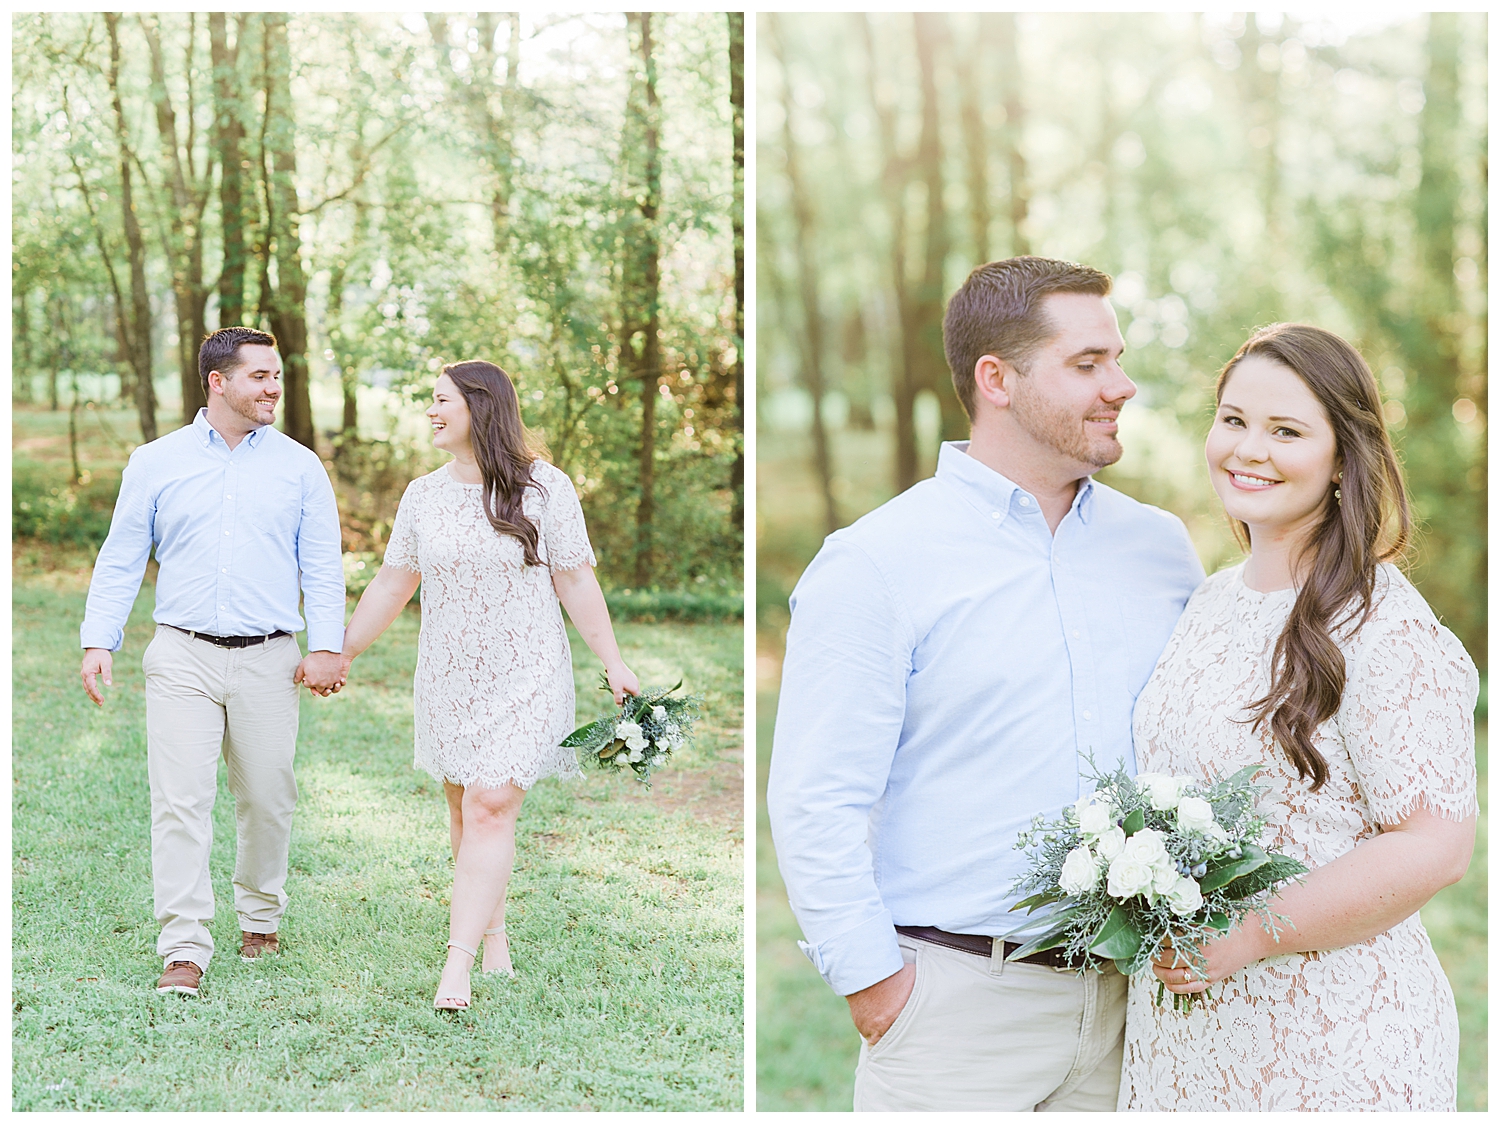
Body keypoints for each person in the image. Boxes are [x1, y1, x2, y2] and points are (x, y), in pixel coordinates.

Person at [767, 257, 1205, 1111]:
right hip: (955, 1015)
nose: (1122, 385)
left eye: (1116, 358)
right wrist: (880, 992)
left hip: (1140, 1013)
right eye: (1088, 365)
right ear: (996, 379)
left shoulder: (1160, 548)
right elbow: (817, 798)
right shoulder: (876, 562)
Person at [1120, 324, 1477, 1111]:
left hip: (1332, 1042)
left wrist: (1245, 938)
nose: (1250, 449)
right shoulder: (1208, 601)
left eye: (1287, 431)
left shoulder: (1381, 624)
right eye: (1235, 419)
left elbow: (1436, 843)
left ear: (1344, 458)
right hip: (1189, 1039)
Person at [334, 359, 639, 1011]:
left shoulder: (545, 490)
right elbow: (394, 582)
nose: (430, 411)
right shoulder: (422, 495)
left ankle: (457, 966)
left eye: (440, 400)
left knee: (490, 804)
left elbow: (576, 579)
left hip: (526, 672)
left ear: (482, 407)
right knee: (462, 807)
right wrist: (343, 652)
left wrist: (614, 662)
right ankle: (493, 934)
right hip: (449, 678)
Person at [79, 326, 348, 998]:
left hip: (269, 659)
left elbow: (321, 566)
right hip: (181, 655)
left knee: (267, 797)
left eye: (278, 375)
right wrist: (98, 639)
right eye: (260, 376)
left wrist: (325, 644)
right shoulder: (155, 461)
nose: (274, 388)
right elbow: (121, 556)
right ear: (218, 382)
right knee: (179, 803)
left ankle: (260, 916)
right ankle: (184, 948)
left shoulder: (299, 467)